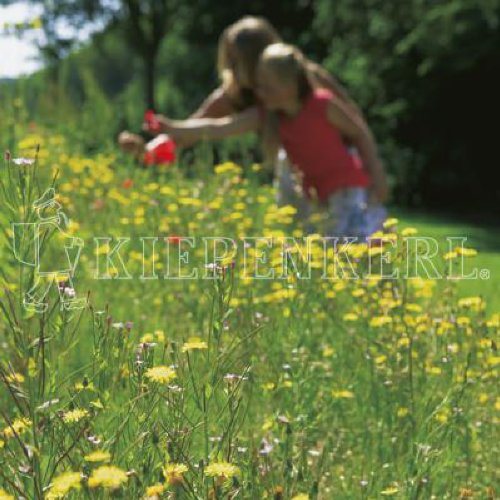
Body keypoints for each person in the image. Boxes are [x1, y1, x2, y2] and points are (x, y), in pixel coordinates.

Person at [118, 16, 383, 212]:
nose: (230, 68)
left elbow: (352, 117)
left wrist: (373, 171)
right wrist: (148, 151)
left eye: (237, 61)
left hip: (341, 168)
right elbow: (197, 128)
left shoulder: (303, 76)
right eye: (229, 60)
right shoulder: (233, 94)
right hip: (294, 166)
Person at [153, 43, 388, 240]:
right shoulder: (270, 116)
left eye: (267, 86)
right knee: (321, 250)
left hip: (346, 188)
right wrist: (174, 127)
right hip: (317, 196)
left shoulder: (322, 105)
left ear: (289, 85)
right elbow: (218, 127)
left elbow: (359, 133)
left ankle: (382, 284)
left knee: (348, 248)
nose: (260, 93)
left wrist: (376, 173)